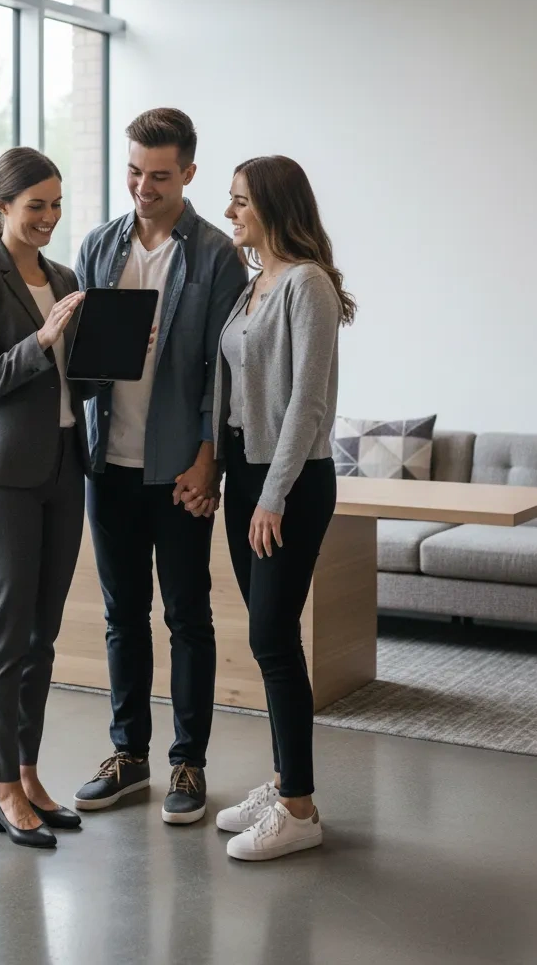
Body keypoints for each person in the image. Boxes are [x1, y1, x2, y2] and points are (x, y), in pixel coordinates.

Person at [73, 108, 248, 824]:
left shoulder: (214, 255)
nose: (143, 188)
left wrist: (210, 461)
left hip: (179, 469)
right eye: (134, 173)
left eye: (160, 176)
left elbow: (224, 371)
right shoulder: (97, 247)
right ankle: (129, 756)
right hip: (107, 465)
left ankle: (188, 764)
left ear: (190, 174)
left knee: (187, 617)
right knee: (122, 617)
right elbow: (80, 360)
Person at [209, 155, 356, 862]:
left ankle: (299, 809)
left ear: (273, 206)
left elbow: (309, 402)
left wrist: (272, 496)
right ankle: (284, 782)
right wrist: (218, 470)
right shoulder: (252, 286)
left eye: (241, 202)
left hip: (291, 481)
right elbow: (229, 392)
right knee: (268, 639)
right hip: (245, 474)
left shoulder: (307, 284)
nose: (230, 212)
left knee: (271, 636)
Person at [0, 146, 93, 850]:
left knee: (43, 638)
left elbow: (75, 383)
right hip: (2, 480)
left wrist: (119, 350)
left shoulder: (64, 276)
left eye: (56, 203)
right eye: (35, 204)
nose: (49, 217)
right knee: (6, 638)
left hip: (66, 471)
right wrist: (43, 338)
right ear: (3, 205)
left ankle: (29, 774)